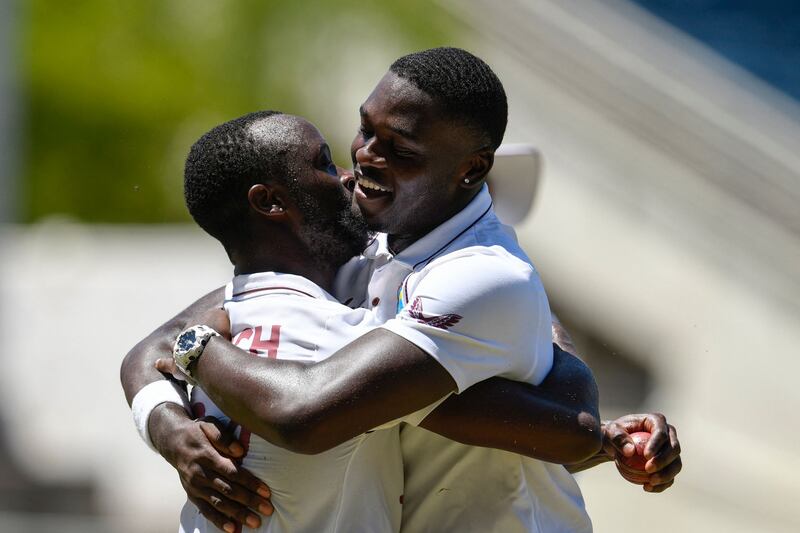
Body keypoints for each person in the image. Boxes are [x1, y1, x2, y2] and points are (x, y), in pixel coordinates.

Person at [122, 47, 681, 532]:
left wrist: (196, 351)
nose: (364, 156)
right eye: (366, 128)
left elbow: (306, 412)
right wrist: (169, 428)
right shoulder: (359, 245)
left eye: (401, 149)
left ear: (470, 171)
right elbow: (154, 346)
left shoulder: (480, 276)